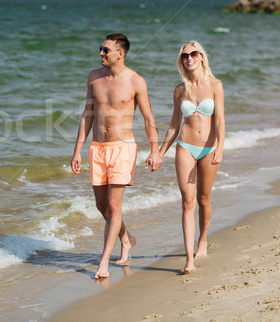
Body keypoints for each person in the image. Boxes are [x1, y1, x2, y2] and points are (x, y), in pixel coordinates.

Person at [71, 33, 163, 279]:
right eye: (100, 48)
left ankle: (103, 262)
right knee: (101, 205)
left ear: (120, 53)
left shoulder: (136, 81)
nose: (101, 53)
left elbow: (148, 119)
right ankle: (127, 238)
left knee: (114, 205)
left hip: (123, 147)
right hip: (97, 148)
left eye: (105, 50)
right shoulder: (94, 78)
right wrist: (78, 149)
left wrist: (155, 150)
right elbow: (87, 115)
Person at [159, 40, 225, 275]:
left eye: (193, 54)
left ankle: (203, 239)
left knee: (203, 199)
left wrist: (220, 147)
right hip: (185, 146)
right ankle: (189, 260)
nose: (189, 58)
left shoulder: (215, 85)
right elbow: (173, 126)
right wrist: (158, 153)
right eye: (185, 55)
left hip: (209, 148)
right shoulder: (180, 90)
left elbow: (219, 120)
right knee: (188, 202)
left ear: (201, 57)